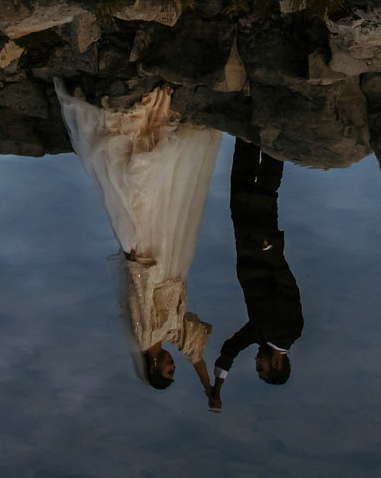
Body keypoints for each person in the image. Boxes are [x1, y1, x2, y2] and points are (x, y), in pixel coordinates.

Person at [55, 82, 225, 397]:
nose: (173, 367)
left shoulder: (146, 336)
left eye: (167, 371)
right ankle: (160, 105)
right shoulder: (171, 332)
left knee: (141, 190)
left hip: (149, 257)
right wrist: (208, 386)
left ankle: (150, 109)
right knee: (162, 191)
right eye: (174, 371)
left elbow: (139, 296)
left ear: (153, 367)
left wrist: (138, 264)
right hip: (170, 257)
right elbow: (194, 350)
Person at [210, 139, 303, 408]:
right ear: (276, 364)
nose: (255, 362)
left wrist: (217, 387)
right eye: (260, 367)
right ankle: (275, 135)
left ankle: (246, 133)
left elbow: (230, 348)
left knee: (241, 186)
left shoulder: (260, 333)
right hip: (262, 246)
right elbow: (287, 285)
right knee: (265, 191)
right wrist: (270, 248)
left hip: (246, 243)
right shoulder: (290, 330)